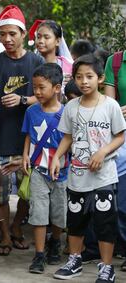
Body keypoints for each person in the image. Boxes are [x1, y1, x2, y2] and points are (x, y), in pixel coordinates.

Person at [50, 54, 126, 282]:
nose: (84, 81)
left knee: (105, 223)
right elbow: (68, 137)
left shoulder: (110, 105)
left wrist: (102, 152)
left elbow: (120, 137)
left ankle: (106, 267)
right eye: (79, 77)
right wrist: (57, 157)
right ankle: (75, 260)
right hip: (77, 176)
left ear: (101, 78)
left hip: (104, 176)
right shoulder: (71, 107)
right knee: (76, 222)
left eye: (89, 77)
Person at [0, 5, 44, 256]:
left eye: (13, 34)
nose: (7, 39)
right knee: (1, 195)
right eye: (3, 34)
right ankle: (5, 236)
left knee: (29, 193)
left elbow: (50, 96)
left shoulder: (37, 62)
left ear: (22, 34)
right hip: (0, 139)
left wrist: (23, 100)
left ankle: (18, 226)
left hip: (31, 141)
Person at [21, 63, 68, 274]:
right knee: (38, 212)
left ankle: (55, 242)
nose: (37, 92)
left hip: (62, 172)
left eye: (42, 87)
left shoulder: (68, 113)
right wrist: (24, 155)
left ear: (57, 88)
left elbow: (71, 140)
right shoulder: (31, 111)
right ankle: (39, 255)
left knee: (59, 212)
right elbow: (29, 135)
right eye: (35, 87)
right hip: (38, 171)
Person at [104, 49, 126, 272]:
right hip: (122, 136)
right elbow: (109, 107)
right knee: (121, 202)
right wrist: (119, 112)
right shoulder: (116, 62)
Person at [29, 20, 73, 91]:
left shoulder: (68, 66)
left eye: (46, 37)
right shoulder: (29, 64)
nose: (41, 41)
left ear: (58, 41)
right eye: (38, 37)